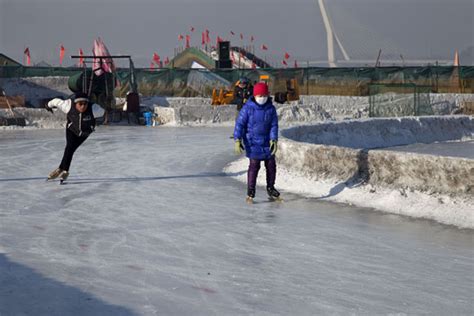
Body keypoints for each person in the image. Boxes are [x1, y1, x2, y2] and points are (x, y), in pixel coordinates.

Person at [233, 82, 280, 203]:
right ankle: (251, 190)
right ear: (254, 96)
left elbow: (274, 125)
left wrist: (273, 139)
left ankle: (270, 187)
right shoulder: (247, 108)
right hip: (252, 142)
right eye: (259, 95)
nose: (262, 98)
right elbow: (240, 124)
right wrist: (237, 139)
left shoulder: (271, 109)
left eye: (264, 95)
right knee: (254, 166)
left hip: (267, 142)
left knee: (271, 165)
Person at [45, 92, 105, 182]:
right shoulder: (68, 105)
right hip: (71, 130)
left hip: (85, 133)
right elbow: (56, 102)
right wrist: (48, 105)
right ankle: (65, 171)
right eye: (80, 104)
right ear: (75, 103)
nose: (83, 106)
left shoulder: (94, 109)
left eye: (85, 104)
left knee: (70, 149)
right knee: (69, 147)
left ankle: (60, 168)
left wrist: (102, 120)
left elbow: (104, 112)